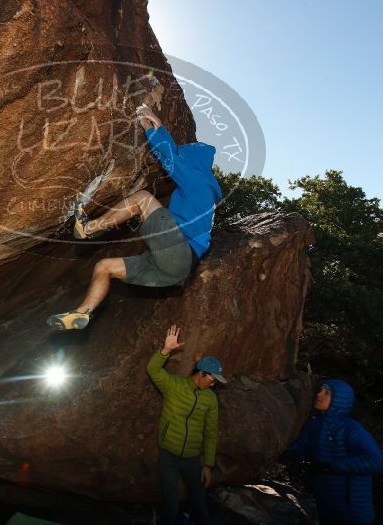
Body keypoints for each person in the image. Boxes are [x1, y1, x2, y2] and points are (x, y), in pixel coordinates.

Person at [46, 105, 223, 330]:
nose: (183, 156)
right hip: (173, 271)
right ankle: (81, 314)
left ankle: (87, 228)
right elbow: (175, 155)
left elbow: (171, 159)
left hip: (179, 249)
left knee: (142, 198)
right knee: (104, 267)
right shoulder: (205, 192)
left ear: (196, 162)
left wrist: (153, 126)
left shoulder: (200, 182)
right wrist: (158, 129)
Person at [147, 325, 225, 525]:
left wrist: (207, 464)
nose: (213, 384)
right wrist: (166, 351)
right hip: (168, 455)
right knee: (171, 502)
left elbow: (210, 433)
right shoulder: (175, 386)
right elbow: (153, 370)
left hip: (192, 459)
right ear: (201, 374)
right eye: (212, 379)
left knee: (200, 501)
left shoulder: (210, 400)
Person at [280, 379, 383, 525]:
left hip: (353, 513)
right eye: (321, 390)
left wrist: (332, 466)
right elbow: (302, 444)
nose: (319, 395)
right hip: (324, 508)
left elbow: (375, 461)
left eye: (327, 393)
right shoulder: (314, 425)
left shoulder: (351, 429)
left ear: (339, 400)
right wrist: (292, 454)